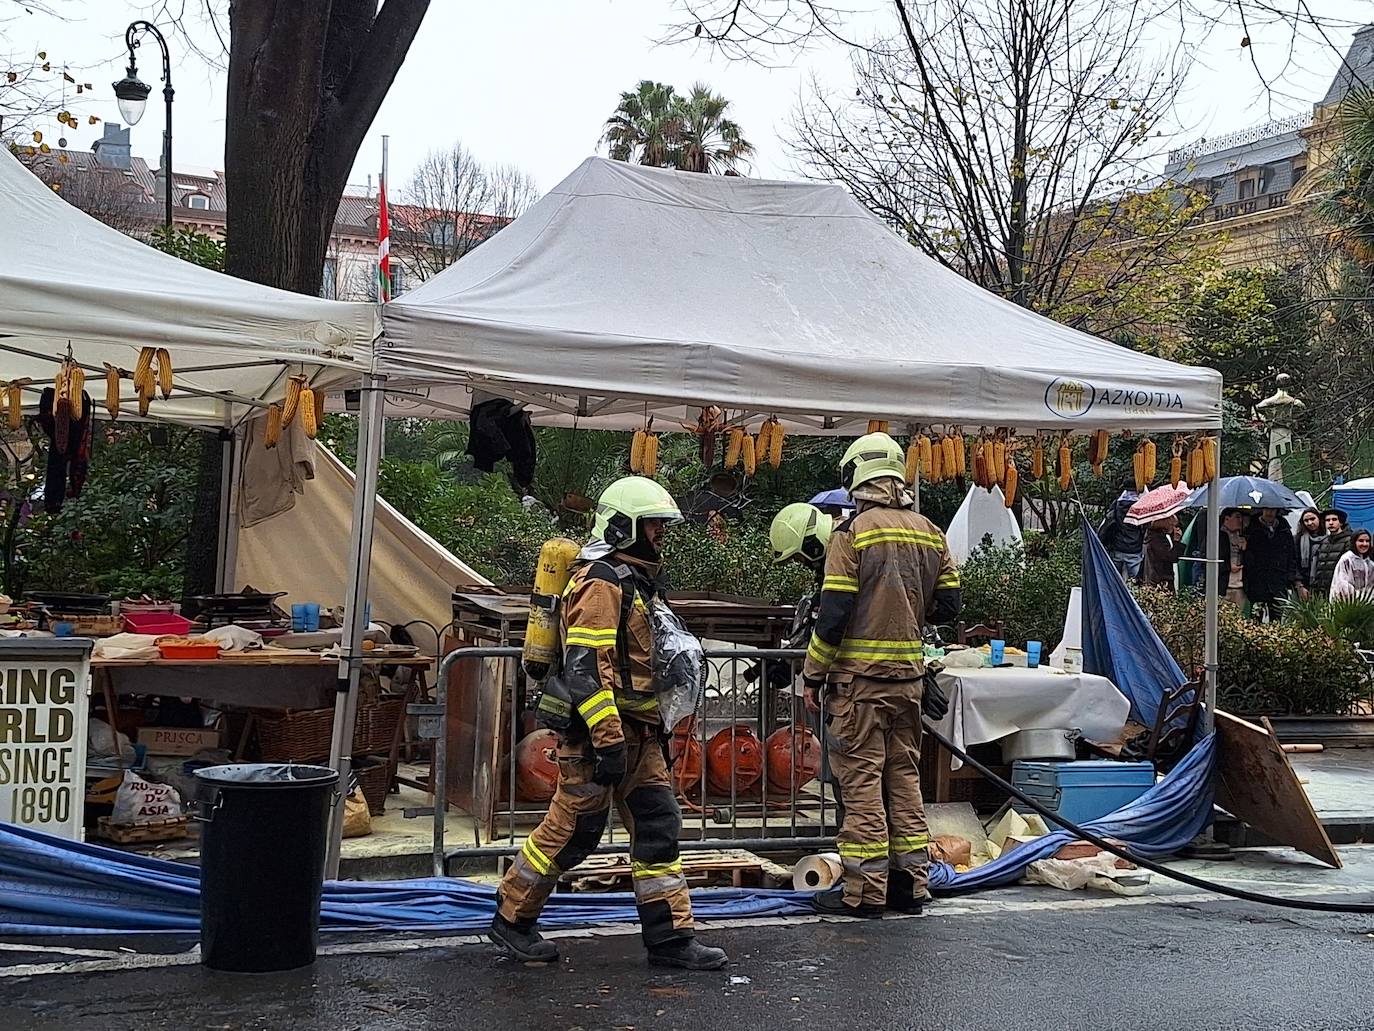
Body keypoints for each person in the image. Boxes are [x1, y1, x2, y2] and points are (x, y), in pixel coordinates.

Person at [489, 476, 728, 971]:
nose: (661, 534)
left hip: (638, 737)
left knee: (658, 827)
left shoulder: (633, 581)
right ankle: (512, 920)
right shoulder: (600, 582)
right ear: (623, 527)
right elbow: (585, 666)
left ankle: (670, 939)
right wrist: (607, 739)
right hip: (600, 739)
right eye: (654, 525)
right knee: (574, 831)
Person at [801, 432, 960, 918]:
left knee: (863, 785)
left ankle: (864, 894)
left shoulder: (852, 535)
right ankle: (911, 887)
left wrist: (812, 674)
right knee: (904, 781)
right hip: (909, 683)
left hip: (859, 686)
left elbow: (833, 615)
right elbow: (950, 608)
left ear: (856, 477)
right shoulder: (931, 532)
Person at [1243, 507, 1298, 622]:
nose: (1269, 513)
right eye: (1267, 509)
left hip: (1278, 581)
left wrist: (1289, 578)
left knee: (1277, 618)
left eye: (1273, 510)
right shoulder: (1251, 529)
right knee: (1256, 618)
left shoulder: (1284, 530)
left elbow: (1291, 555)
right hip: (1257, 581)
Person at [1098, 486, 1144, 582]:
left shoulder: (1117, 504)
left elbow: (1109, 522)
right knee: (1136, 581)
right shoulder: (1142, 506)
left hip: (1118, 547)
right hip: (1134, 550)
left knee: (1114, 580)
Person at [1313, 510, 1354, 597]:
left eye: (1334, 519)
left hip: (1339, 588)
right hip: (1321, 588)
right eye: (1327, 520)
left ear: (1341, 522)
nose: (1331, 523)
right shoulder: (1324, 541)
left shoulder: (1349, 540)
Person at [1138, 514, 1184, 589]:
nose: (1173, 528)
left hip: (1152, 577)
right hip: (1160, 580)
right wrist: (1176, 542)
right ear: (1165, 524)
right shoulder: (1158, 540)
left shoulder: (1151, 536)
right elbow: (1171, 557)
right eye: (1172, 525)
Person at [1330, 528, 1374, 600]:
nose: (1365, 544)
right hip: (1348, 605)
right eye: (1361, 541)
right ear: (1354, 542)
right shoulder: (1347, 559)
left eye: (1367, 541)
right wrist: (1358, 597)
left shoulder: (1370, 563)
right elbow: (1342, 584)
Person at [1294, 508, 1327, 600]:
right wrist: (1299, 585)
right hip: (1304, 584)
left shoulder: (1329, 538)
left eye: (1312, 519)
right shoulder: (1298, 539)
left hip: (1324, 584)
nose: (1309, 523)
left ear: (1319, 519)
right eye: (1306, 520)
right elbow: (1294, 562)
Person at [1219, 508, 1248, 608]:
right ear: (1227, 519)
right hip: (1223, 584)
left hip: (1239, 584)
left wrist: (1245, 549)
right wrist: (1228, 566)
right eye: (1237, 517)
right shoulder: (1217, 536)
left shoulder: (1242, 536)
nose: (1240, 520)